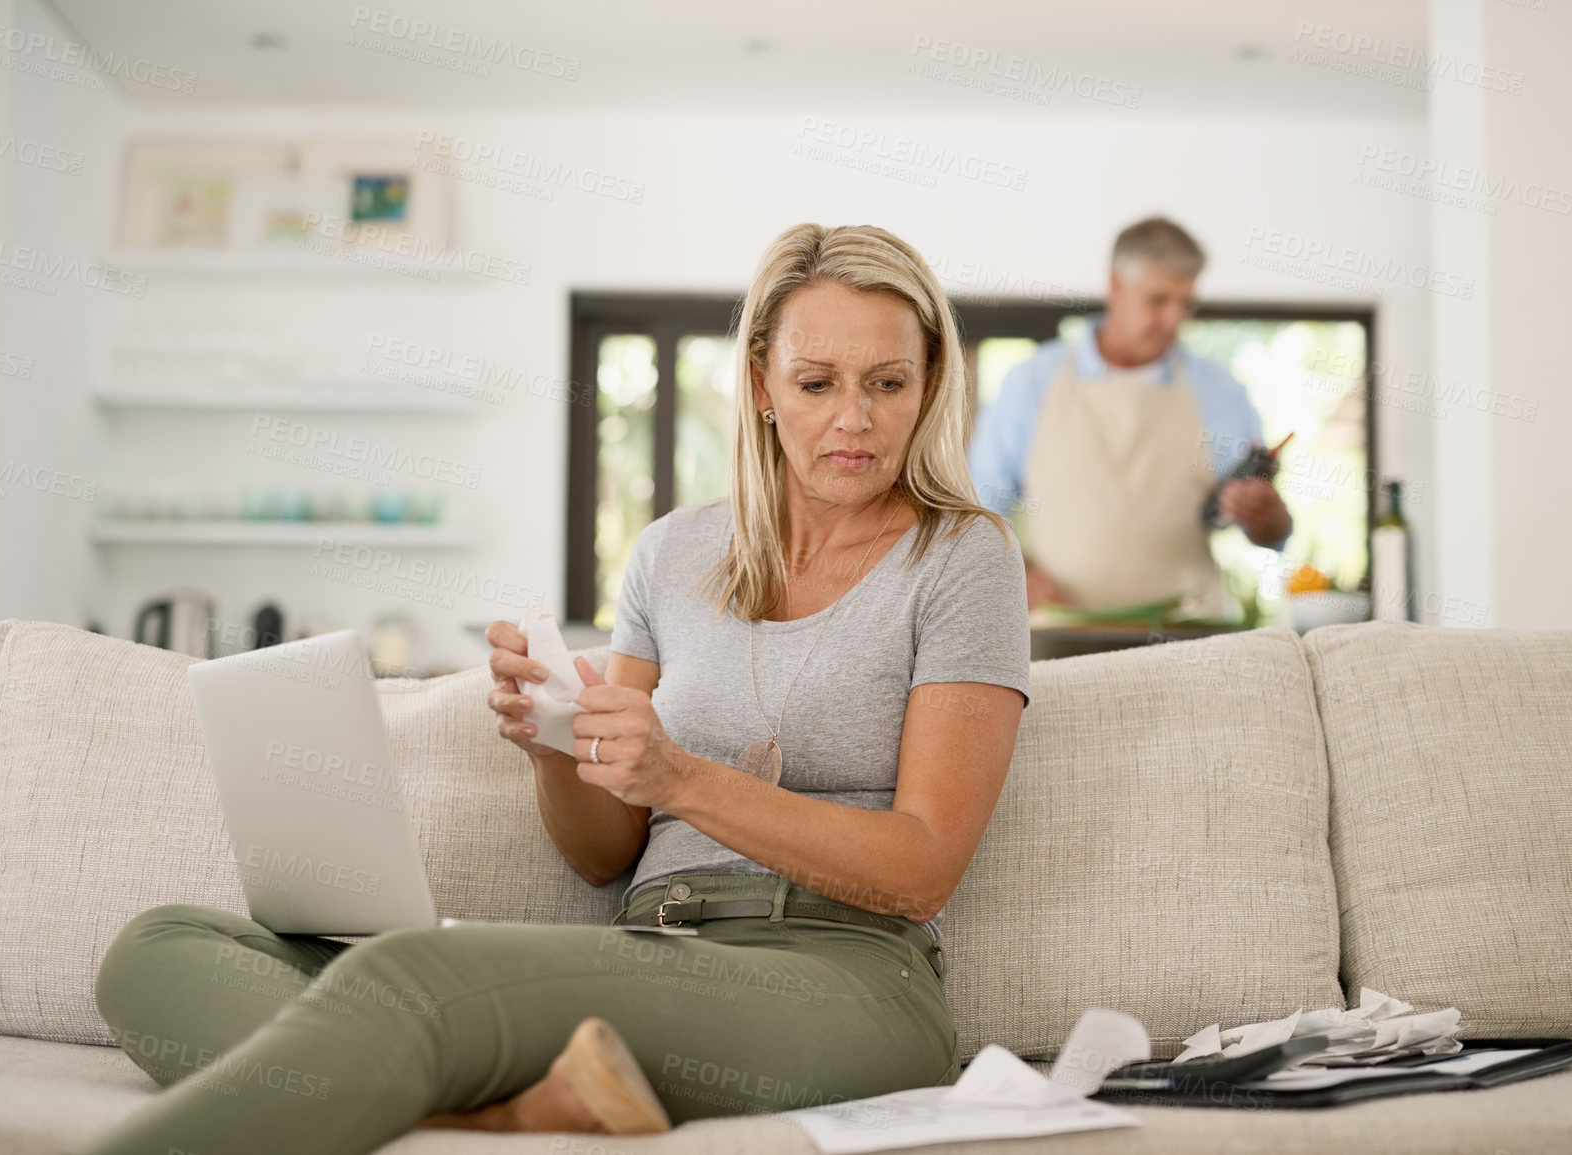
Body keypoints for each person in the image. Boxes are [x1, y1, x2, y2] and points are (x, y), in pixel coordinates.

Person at [80, 223, 1031, 1155]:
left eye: (887, 383)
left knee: (417, 976)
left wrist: (682, 777)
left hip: (841, 980)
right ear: (761, 386)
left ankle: (434, 1093)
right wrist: (554, 746)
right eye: (817, 383)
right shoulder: (672, 553)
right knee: (159, 949)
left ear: (931, 384)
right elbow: (601, 856)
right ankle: (500, 1117)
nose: (853, 418)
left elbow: (919, 868)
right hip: (652, 946)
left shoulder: (962, 558)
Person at [969, 215, 1292, 616]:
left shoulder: (1222, 392)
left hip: (1186, 634)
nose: (1175, 320)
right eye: (1159, 300)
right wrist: (1018, 573)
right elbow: (980, 507)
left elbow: (1260, 528)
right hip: (1059, 628)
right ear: (1116, 286)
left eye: (1185, 304)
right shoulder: (1031, 383)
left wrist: (1269, 518)